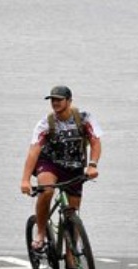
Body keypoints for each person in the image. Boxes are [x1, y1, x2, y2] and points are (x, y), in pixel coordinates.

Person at [20, 85, 103, 250]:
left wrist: (92, 165)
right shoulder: (46, 123)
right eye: (52, 100)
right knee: (47, 189)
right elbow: (34, 150)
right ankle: (41, 233)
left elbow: (95, 142)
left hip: (75, 167)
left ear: (69, 101)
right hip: (49, 163)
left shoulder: (85, 118)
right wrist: (25, 179)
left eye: (59, 99)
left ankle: (72, 253)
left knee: (72, 212)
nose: (55, 103)